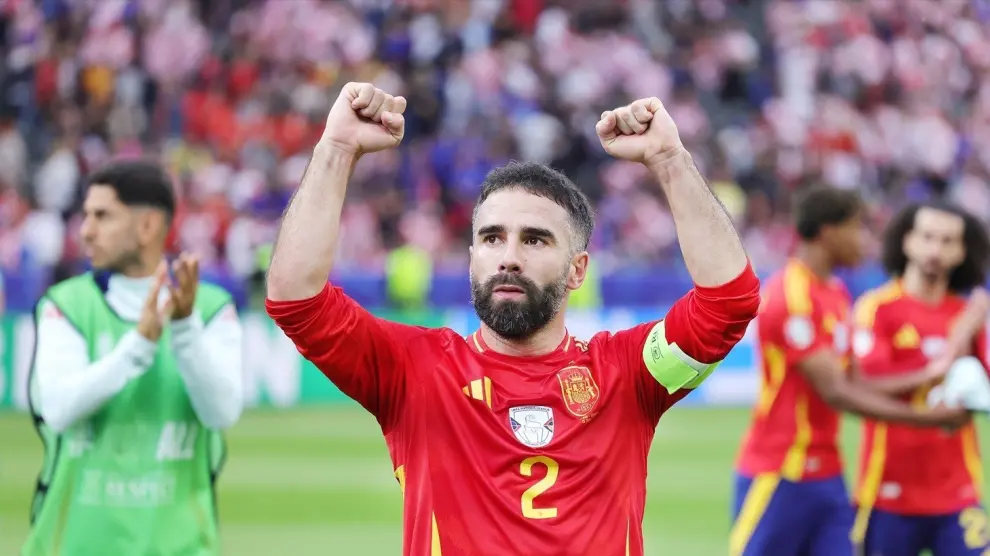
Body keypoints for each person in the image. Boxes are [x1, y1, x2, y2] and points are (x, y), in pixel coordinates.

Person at [265, 82, 761, 555]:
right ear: (471, 259)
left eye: (535, 240)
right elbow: (296, 299)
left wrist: (671, 160)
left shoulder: (626, 375)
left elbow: (728, 303)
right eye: (492, 238)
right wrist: (335, 149)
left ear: (578, 270)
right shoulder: (415, 372)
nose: (508, 257)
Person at [729, 187, 970, 556]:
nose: (865, 240)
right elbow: (836, 391)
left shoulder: (837, 293)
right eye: (857, 228)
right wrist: (929, 418)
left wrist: (928, 375)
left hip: (828, 474)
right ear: (829, 232)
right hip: (780, 472)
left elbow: (856, 381)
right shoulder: (791, 295)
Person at [22, 161, 244, 556]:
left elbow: (222, 412)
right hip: (75, 548)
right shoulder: (66, 305)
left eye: (103, 216)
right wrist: (139, 346)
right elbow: (57, 408)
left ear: (147, 226)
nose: (86, 230)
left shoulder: (210, 309)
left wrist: (184, 329)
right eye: (86, 215)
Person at [851, 201, 990, 555]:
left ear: (963, 251)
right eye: (927, 237)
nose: (935, 250)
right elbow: (864, 384)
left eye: (947, 241)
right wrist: (938, 366)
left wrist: (969, 335)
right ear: (907, 241)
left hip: (958, 492)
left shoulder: (971, 315)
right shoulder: (876, 308)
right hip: (887, 493)